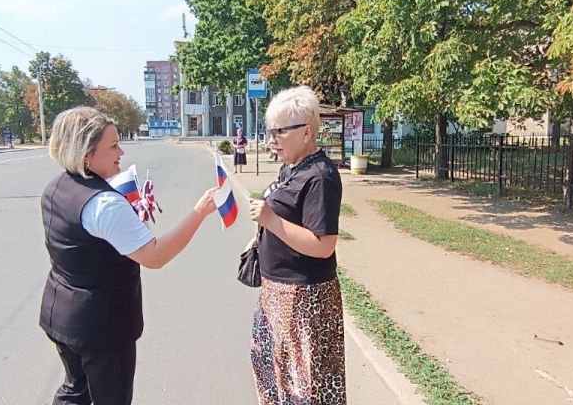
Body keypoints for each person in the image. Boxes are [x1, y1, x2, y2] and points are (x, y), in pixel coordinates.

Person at [40, 106, 217, 405]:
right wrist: (199, 212)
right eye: (113, 146)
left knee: (76, 390)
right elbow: (155, 256)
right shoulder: (104, 203)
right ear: (86, 154)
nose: (121, 152)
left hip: (61, 313)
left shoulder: (56, 187)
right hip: (102, 327)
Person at [247, 86, 346, 404]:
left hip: (304, 299)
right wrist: (263, 233)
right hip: (277, 292)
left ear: (306, 132)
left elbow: (323, 245)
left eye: (279, 132)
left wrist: (271, 222)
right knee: (274, 375)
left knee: (303, 386)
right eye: (269, 131)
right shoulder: (292, 167)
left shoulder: (320, 177)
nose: (271, 139)